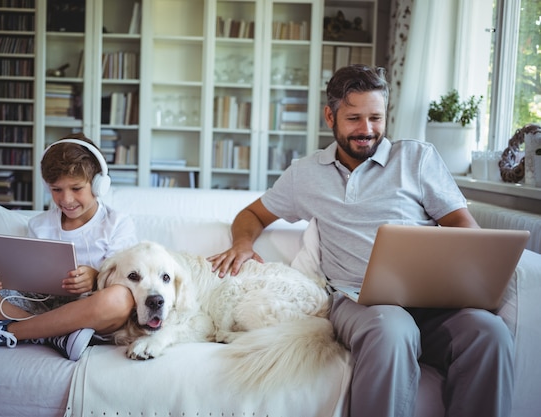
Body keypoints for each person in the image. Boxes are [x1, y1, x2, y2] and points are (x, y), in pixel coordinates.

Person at [208, 65, 514, 417]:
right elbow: (253, 214)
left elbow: (461, 222)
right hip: (359, 302)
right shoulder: (305, 175)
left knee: (489, 333)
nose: (367, 130)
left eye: (376, 118)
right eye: (354, 118)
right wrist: (243, 244)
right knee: (392, 328)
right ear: (330, 116)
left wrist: (475, 279)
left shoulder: (417, 159)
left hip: (433, 304)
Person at [0, 133, 137, 361]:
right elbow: (27, 280)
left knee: (120, 298)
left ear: (99, 184)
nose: (67, 199)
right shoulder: (39, 225)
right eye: (56, 189)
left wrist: (95, 277)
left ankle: (9, 332)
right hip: (35, 303)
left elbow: (129, 280)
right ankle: (51, 335)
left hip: (86, 310)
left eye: (76, 188)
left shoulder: (117, 223)